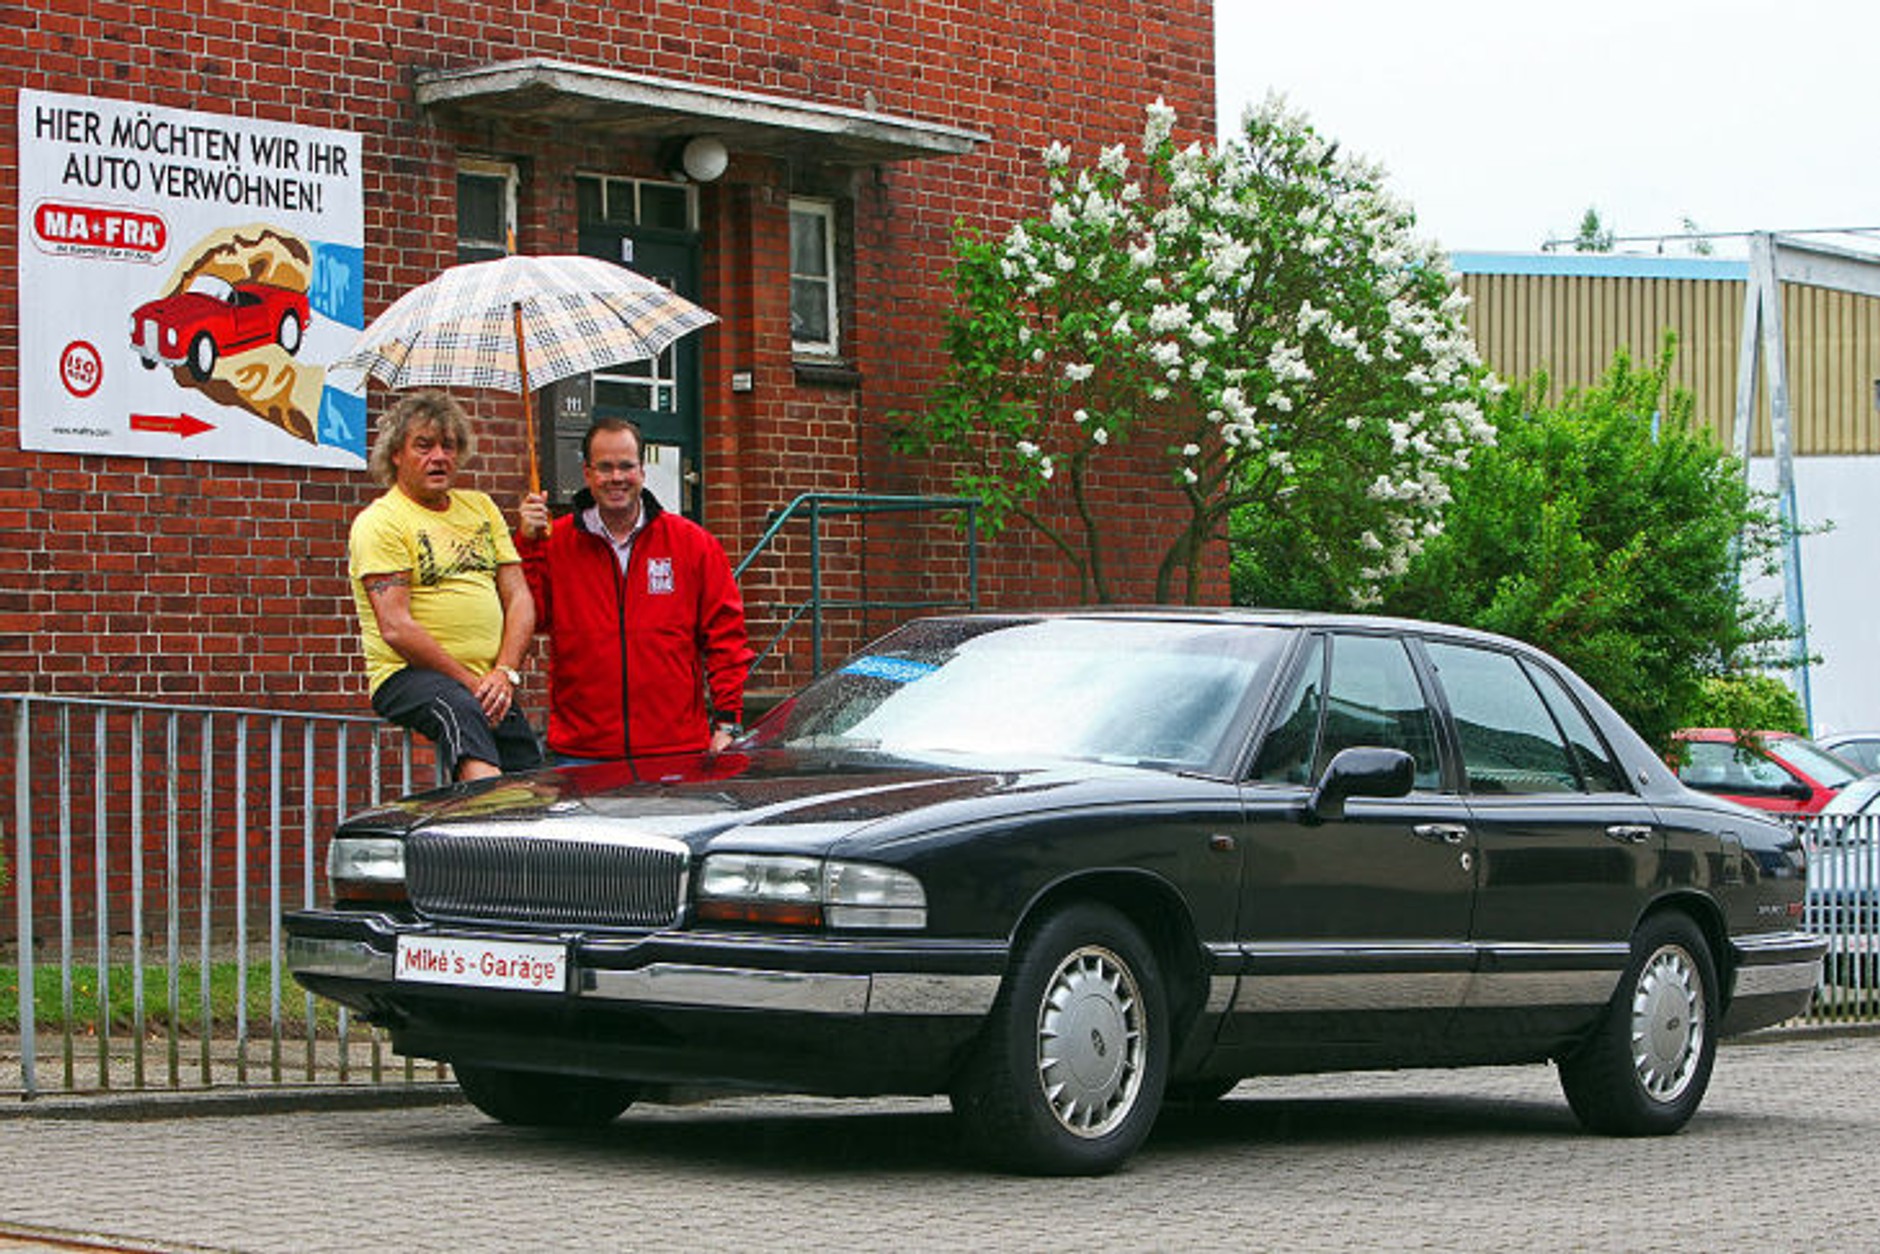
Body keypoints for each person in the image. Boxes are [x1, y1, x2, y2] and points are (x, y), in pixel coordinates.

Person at [518, 417, 752, 763]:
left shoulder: (693, 544)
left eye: (626, 466)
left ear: (642, 470)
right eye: (605, 467)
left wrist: (727, 721)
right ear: (587, 473)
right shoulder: (555, 544)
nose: (616, 478)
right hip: (582, 753)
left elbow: (726, 638)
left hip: (675, 751)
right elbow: (531, 618)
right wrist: (528, 544)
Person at [348, 390, 542, 781]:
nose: (439, 456)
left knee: (529, 771)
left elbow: (519, 596)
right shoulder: (381, 521)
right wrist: (472, 682)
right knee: (462, 710)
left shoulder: (480, 507)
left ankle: (526, 835)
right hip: (407, 675)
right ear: (396, 454)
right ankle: (477, 833)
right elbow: (396, 627)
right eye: (424, 445)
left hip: (486, 679)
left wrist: (504, 672)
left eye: (448, 446)